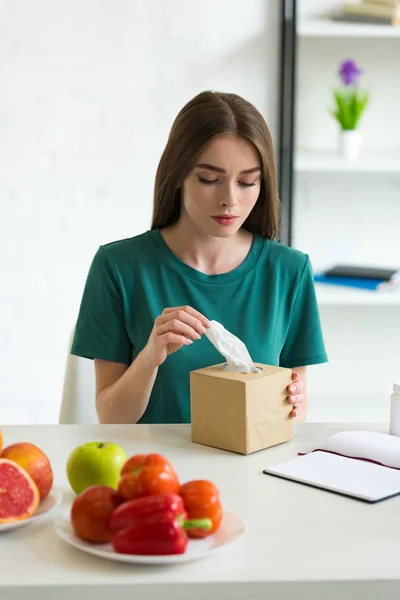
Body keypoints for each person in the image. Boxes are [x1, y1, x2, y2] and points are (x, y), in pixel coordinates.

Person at [71, 90, 328, 425]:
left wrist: (292, 406)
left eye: (247, 182)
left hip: (251, 470)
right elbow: (111, 417)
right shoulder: (119, 267)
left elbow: (296, 410)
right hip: (156, 472)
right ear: (178, 175)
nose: (230, 200)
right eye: (209, 179)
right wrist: (151, 357)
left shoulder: (290, 271)